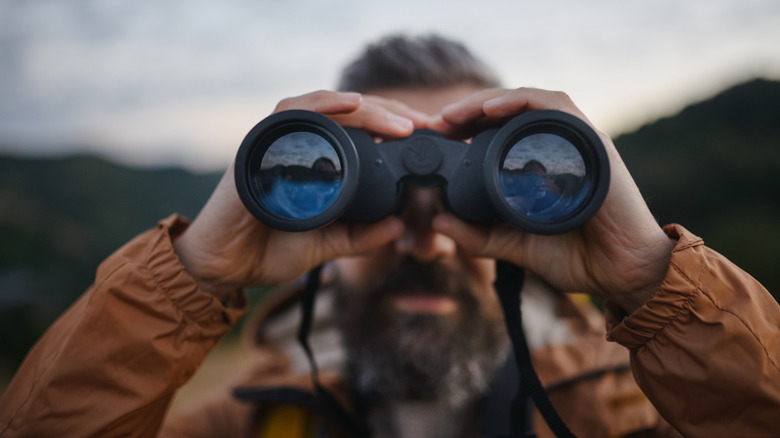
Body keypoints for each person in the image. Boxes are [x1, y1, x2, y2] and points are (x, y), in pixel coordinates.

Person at [1, 34, 778, 438]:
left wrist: (649, 275)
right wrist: (193, 273)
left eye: (475, 195)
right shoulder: (244, 420)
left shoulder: (634, 415)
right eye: (372, 190)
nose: (427, 240)